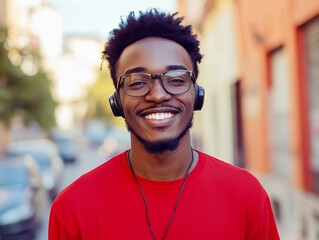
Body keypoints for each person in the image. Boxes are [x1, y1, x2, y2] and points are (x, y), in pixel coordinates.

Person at [49, 9, 280, 240]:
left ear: (197, 94)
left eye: (177, 80)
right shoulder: (72, 209)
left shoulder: (247, 197)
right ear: (117, 101)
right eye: (137, 82)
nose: (158, 95)